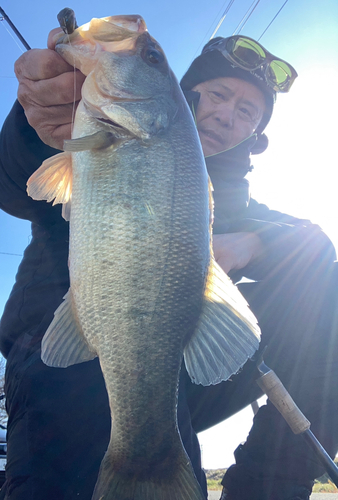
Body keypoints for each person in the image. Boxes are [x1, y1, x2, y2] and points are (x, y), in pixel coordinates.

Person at [0, 26, 337, 500]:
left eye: (247, 112)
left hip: (184, 369)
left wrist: (252, 242)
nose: (226, 115)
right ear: (183, 92)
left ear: (256, 135)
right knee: (90, 416)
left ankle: (269, 487)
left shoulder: (244, 206)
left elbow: (319, 247)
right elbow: (16, 185)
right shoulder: (89, 129)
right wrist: (36, 124)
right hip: (71, 362)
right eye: (219, 94)